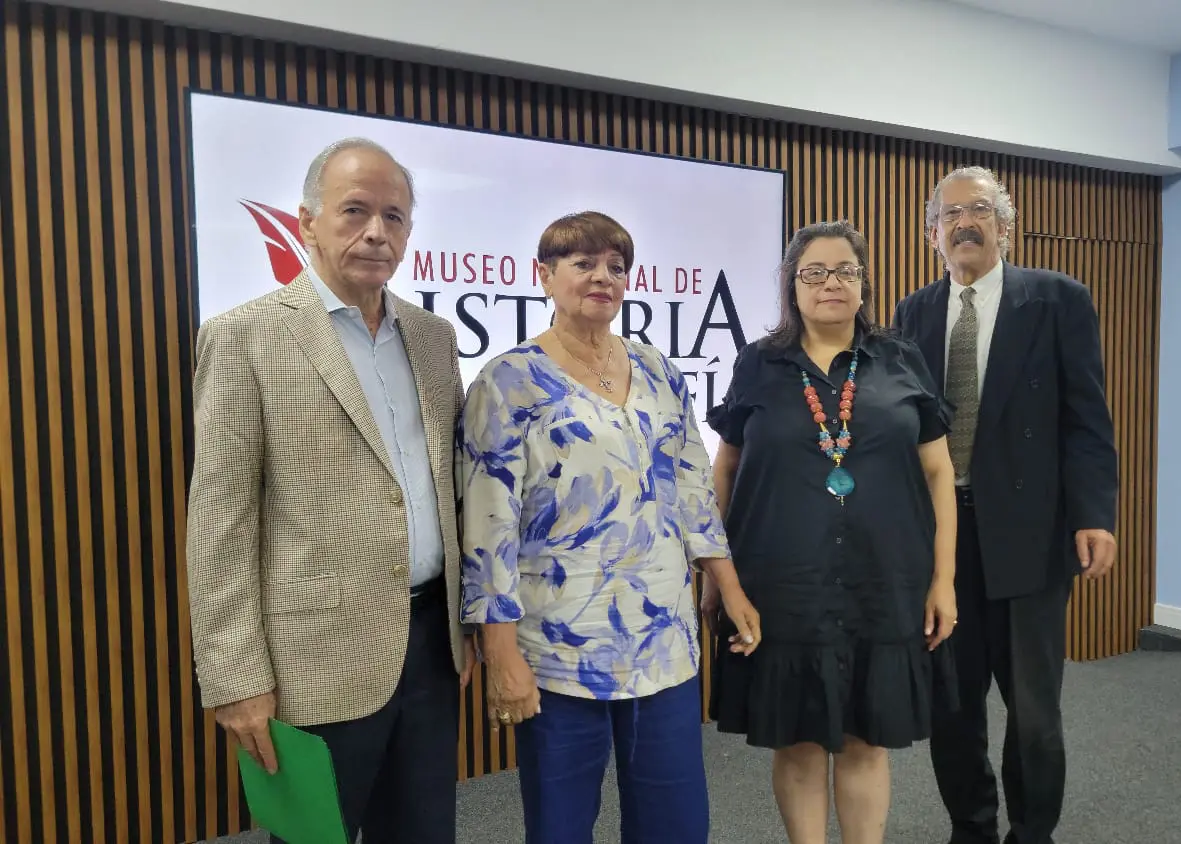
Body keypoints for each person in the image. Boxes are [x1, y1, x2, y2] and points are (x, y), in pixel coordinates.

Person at [184, 137, 474, 844]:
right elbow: (220, 520)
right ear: (308, 221)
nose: (378, 231)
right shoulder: (244, 338)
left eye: (395, 216)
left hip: (434, 647)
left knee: (424, 834)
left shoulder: (433, 338)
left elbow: (448, 488)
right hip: (314, 659)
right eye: (355, 211)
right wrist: (233, 677)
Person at [457, 210, 762, 844]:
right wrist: (500, 650)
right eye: (583, 263)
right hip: (560, 645)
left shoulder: (656, 370)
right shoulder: (507, 382)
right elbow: (488, 526)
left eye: (616, 267)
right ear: (544, 275)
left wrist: (729, 587)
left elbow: (691, 488)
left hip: (663, 638)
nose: (603, 277)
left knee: (674, 823)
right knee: (562, 827)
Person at [704, 220, 960, 844]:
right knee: (797, 740)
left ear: (863, 282)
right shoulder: (759, 363)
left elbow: (938, 471)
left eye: (845, 271)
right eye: (813, 273)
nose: (830, 284)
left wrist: (944, 579)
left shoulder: (901, 359)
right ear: (792, 285)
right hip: (782, 583)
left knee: (867, 739)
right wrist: (716, 573)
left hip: (885, 578)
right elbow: (725, 468)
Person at [890, 166, 1119, 844]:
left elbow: (1088, 420)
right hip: (942, 540)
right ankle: (973, 827)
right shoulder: (915, 312)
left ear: (1005, 225)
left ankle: (1032, 831)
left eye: (980, 210)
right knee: (953, 706)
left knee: (1034, 710)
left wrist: (1095, 512)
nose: (966, 222)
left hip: (1030, 534)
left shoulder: (1058, 300)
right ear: (933, 233)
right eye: (951, 213)